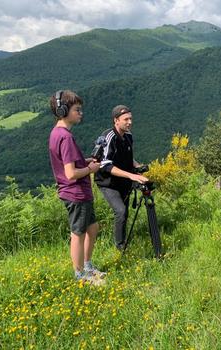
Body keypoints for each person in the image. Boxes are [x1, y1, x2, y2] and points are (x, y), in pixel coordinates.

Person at [48, 90, 106, 283]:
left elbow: (71, 163)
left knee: (93, 227)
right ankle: (80, 275)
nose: (81, 113)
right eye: (77, 109)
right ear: (63, 110)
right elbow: (71, 174)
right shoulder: (65, 138)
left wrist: (86, 161)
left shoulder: (57, 133)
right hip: (76, 193)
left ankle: (87, 266)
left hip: (79, 193)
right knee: (78, 234)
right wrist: (90, 168)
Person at [94, 105, 148, 251]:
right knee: (121, 211)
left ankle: (122, 242)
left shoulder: (128, 136)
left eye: (131, 119)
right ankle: (120, 247)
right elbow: (105, 165)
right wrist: (131, 175)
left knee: (124, 212)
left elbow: (128, 157)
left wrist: (138, 167)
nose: (129, 122)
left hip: (123, 181)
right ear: (116, 120)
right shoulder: (108, 137)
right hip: (108, 183)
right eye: (126, 119)